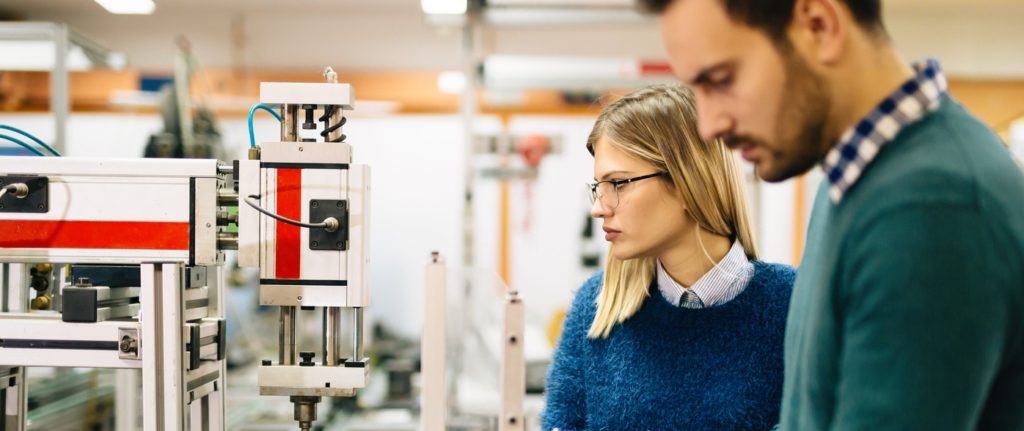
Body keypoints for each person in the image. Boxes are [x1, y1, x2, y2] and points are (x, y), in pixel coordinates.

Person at [641, 0, 1024, 429]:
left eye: (721, 80)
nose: (708, 124)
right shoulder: (854, 183)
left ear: (819, 25)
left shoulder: (932, 203)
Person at [542, 84, 795, 430]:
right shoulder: (596, 307)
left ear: (687, 181)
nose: (599, 208)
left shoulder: (794, 306)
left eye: (617, 183)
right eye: (598, 188)